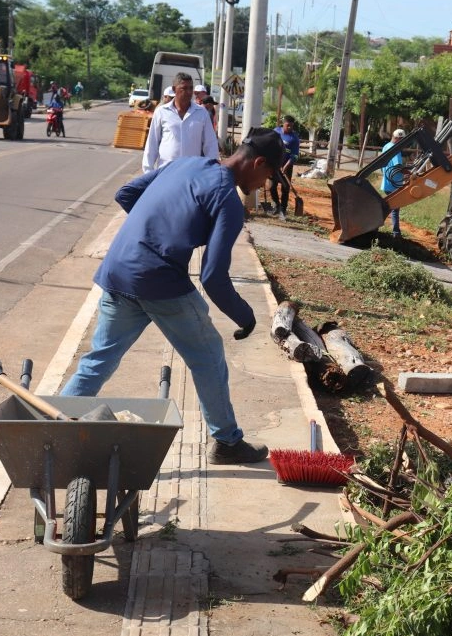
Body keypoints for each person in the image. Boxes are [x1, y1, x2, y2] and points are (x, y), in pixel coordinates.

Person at [60, 128, 288, 465]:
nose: (263, 184)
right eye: (269, 175)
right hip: (159, 280)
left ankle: (55, 429)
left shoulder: (185, 164)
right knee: (208, 355)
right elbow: (213, 276)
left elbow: (126, 194)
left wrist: (157, 226)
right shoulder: (227, 200)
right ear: (258, 162)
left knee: (99, 360)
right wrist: (244, 315)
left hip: (119, 268)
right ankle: (226, 441)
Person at [142, 72, 218, 173]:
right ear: (174, 89)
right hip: (165, 172)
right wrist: (148, 172)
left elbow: (210, 144)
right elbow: (152, 143)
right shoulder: (161, 112)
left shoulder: (201, 113)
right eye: (184, 88)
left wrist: (211, 171)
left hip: (191, 173)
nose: (189, 92)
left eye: (191, 88)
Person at [268, 115, 300, 218]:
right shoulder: (276, 132)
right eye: (288, 125)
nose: (290, 128)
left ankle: (283, 209)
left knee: (285, 188)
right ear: (283, 124)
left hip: (287, 166)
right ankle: (277, 206)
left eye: (291, 126)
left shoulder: (294, 138)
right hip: (274, 165)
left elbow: (294, 155)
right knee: (272, 186)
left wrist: (285, 166)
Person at [380, 129, 406, 237]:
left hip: (386, 182)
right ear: (398, 138)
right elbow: (398, 166)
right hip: (394, 183)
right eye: (402, 140)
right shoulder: (396, 149)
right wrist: (408, 172)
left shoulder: (386, 147)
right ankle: (396, 233)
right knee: (395, 208)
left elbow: (382, 165)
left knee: (390, 206)